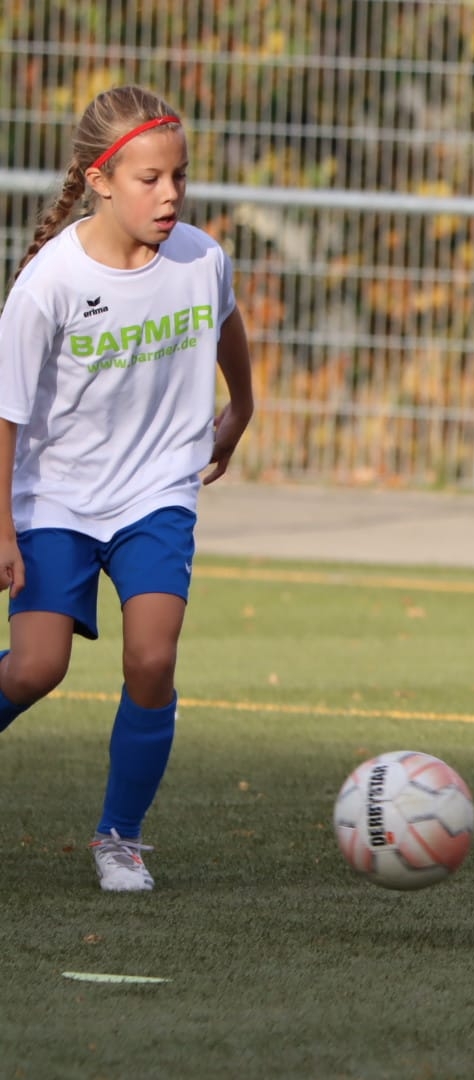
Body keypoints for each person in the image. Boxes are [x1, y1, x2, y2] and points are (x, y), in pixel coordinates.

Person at [0, 85, 255, 891]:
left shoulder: (201, 259)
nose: (170, 193)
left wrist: (242, 408)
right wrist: (2, 529)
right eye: (150, 179)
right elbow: (5, 415)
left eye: (179, 175)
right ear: (100, 180)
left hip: (157, 493)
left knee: (152, 657)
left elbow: (226, 323)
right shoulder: (49, 282)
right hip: (56, 499)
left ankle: (120, 839)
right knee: (35, 668)